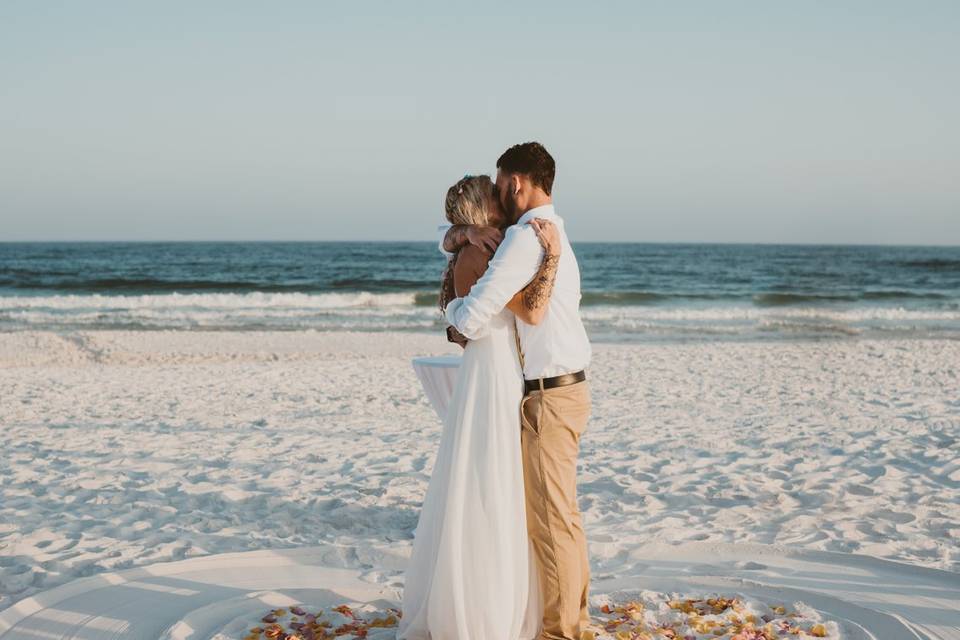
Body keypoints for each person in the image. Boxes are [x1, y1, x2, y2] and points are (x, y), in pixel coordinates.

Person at [397, 173, 562, 640]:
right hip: (493, 372)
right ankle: (487, 608)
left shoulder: (471, 246)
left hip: (492, 368)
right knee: (492, 479)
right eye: (492, 198)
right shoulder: (482, 250)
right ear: (479, 211)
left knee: (485, 476)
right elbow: (488, 318)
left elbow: (445, 247)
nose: (501, 200)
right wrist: (549, 255)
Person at [444, 142, 593, 640]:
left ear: (515, 184)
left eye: (500, 185)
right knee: (564, 521)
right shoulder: (554, 232)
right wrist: (461, 233)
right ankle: (575, 621)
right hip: (566, 388)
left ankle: (561, 632)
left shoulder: (524, 240)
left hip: (549, 394)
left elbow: (493, 314)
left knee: (552, 527)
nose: (500, 196)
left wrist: (451, 315)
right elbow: (458, 247)